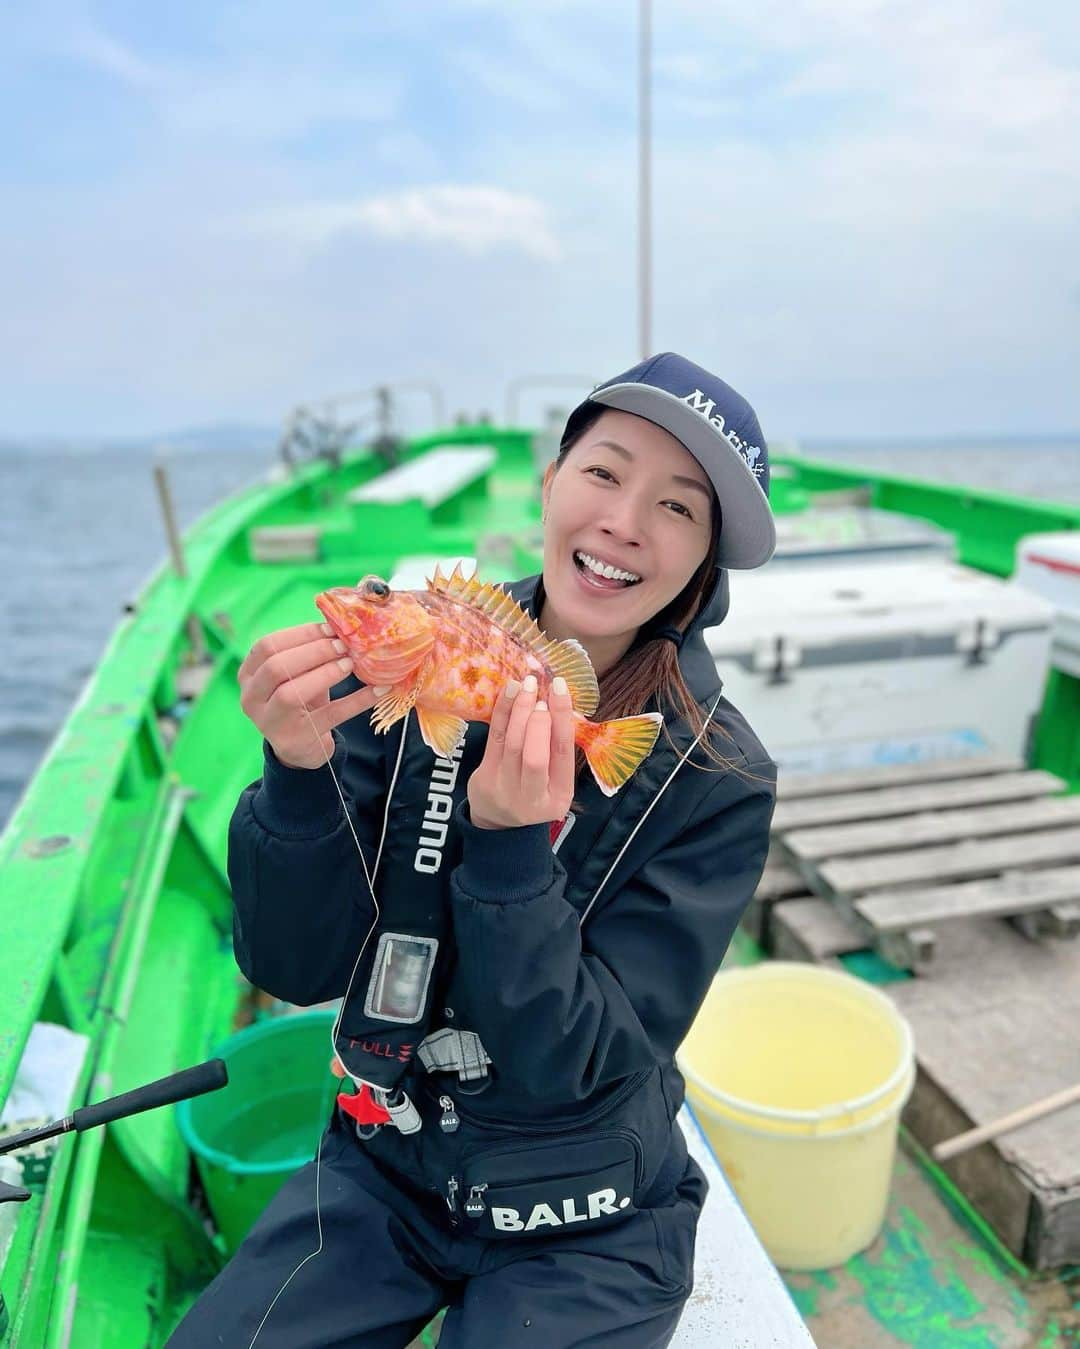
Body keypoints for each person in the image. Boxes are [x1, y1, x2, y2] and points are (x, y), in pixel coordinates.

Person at [168, 353, 778, 1349]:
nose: (625, 519)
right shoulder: (416, 650)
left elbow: (577, 1062)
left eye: (678, 507)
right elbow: (294, 962)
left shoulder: (720, 776)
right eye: (603, 471)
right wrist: (296, 764)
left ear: (704, 561)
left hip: (591, 1207)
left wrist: (507, 857)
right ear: (550, 484)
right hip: (390, 1157)